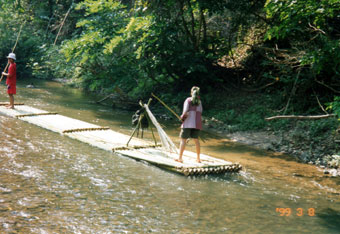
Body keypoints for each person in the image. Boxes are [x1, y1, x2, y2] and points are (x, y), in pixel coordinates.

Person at [175, 86, 203, 163]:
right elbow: (200, 112)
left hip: (188, 123)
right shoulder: (199, 102)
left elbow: (185, 112)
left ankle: (180, 158)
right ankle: (198, 159)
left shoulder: (188, 100)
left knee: (183, 140)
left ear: (191, 92)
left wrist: (181, 118)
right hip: (197, 124)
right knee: (196, 140)